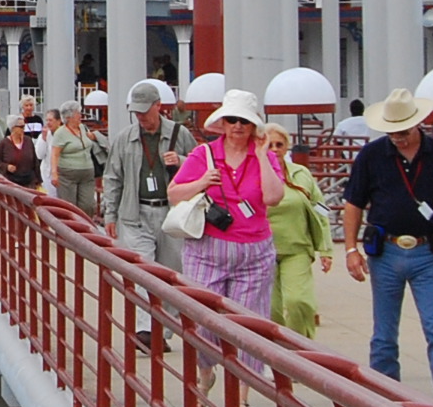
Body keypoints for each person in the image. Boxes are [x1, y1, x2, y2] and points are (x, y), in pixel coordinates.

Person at [339, 87, 433, 407]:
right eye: (392, 132)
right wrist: (351, 249)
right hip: (385, 251)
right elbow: (353, 203)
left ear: (417, 124)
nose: (398, 138)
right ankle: (386, 401)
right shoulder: (372, 155)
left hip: (427, 252)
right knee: (384, 333)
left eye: (403, 132)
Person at [167, 90, 284, 313]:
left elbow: (273, 198)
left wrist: (261, 155)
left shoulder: (265, 157)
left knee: (248, 324)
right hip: (207, 249)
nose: (237, 126)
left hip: (254, 253)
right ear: (223, 122)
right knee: (204, 320)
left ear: (253, 125)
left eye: (244, 121)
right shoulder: (204, 153)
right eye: (232, 119)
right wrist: (202, 182)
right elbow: (173, 194)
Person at [101, 78, 197, 273]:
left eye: (144, 111)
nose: (140, 116)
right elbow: (112, 178)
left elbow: (200, 167)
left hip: (171, 213)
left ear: (158, 105)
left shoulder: (180, 133)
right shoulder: (124, 139)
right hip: (135, 215)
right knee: (142, 273)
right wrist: (110, 215)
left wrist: (180, 160)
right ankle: (143, 295)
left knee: (172, 274)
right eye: (136, 112)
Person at [260, 121, 331, 337]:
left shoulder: (301, 174)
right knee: (271, 309)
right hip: (262, 251)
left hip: (297, 248)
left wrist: (326, 249)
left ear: (287, 147)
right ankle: (276, 349)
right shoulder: (254, 172)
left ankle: (302, 346)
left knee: (298, 302)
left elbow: (320, 210)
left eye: (279, 145)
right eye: (269, 145)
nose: (274, 150)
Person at [47, 104, 101, 215]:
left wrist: (96, 137)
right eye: (78, 113)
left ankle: (85, 224)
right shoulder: (60, 133)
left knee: (88, 205)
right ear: (68, 117)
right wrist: (54, 173)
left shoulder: (83, 128)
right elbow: (55, 154)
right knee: (69, 206)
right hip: (67, 174)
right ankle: (70, 225)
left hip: (87, 172)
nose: (80, 116)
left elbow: (91, 140)